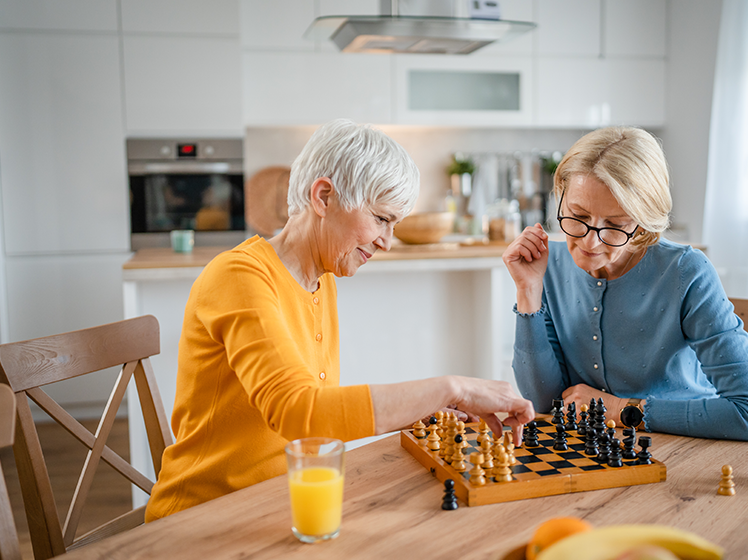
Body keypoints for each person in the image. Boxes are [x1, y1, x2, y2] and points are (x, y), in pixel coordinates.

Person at [146, 119, 534, 522]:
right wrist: (452, 387)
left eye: (394, 224)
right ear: (324, 197)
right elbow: (299, 412)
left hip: (285, 502)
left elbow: (318, 410)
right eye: (381, 219)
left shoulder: (321, 278)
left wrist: (428, 406)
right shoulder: (239, 277)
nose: (386, 241)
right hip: (202, 518)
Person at [503, 126, 748, 441]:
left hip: (685, 451)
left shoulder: (686, 272)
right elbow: (545, 402)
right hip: (591, 452)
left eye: (615, 225)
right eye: (577, 215)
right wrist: (528, 291)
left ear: (643, 223)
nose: (590, 241)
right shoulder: (548, 264)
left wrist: (620, 410)